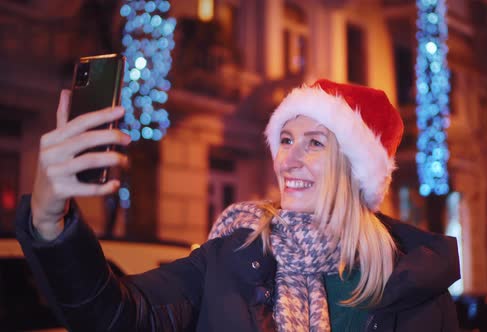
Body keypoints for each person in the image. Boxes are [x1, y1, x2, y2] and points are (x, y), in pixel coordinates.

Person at [15, 79, 460, 331]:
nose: (290, 157)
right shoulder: (231, 258)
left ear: (355, 169)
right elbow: (116, 316)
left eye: (314, 143)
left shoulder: (419, 288)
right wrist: (50, 221)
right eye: (285, 140)